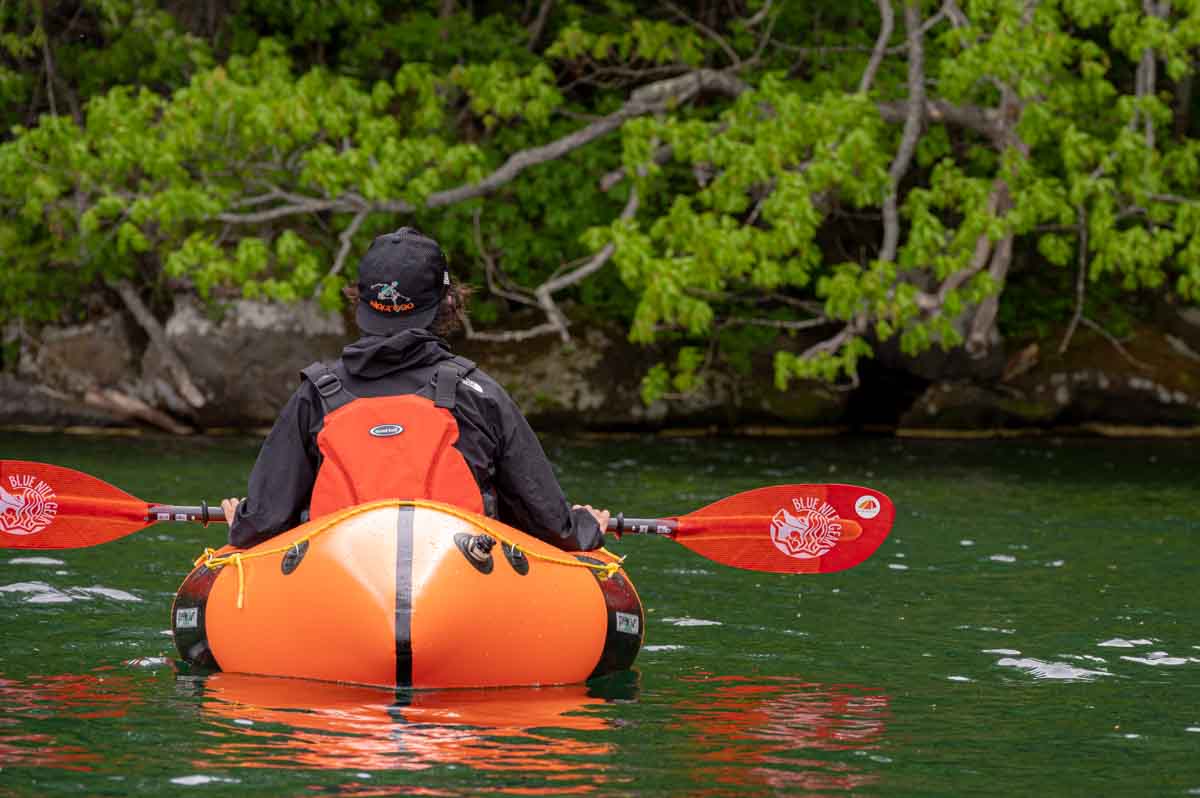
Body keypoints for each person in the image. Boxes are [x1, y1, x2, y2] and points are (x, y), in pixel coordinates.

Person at [221, 227, 609, 551]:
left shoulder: (315, 395)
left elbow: (260, 525)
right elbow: (552, 526)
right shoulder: (479, 394)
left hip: (341, 585)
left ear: (361, 300)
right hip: (460, 585)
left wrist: (241, 520)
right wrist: (586, 526)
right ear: (447, 303)